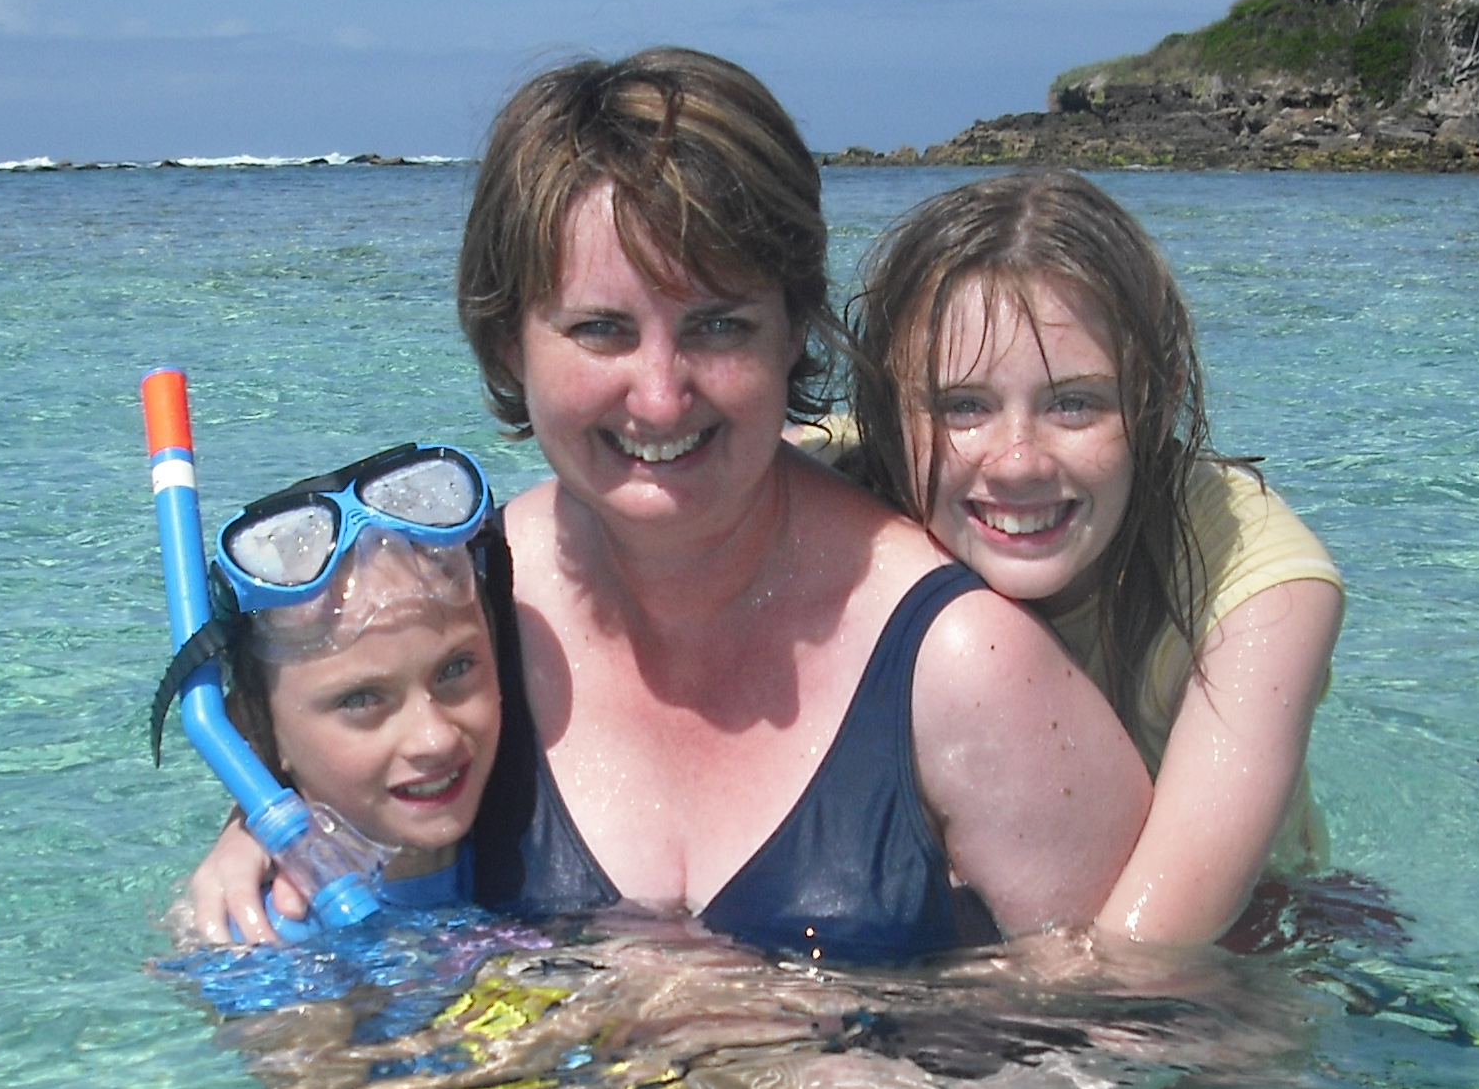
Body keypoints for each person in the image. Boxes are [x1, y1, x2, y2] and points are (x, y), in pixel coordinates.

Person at [186, 50, 1150, 961]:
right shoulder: (464, 602)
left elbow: (1149, 1040)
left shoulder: (961, 666)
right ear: (510, 347)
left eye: (719, 325)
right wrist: (275, 825)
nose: (659, 394)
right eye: (601, 330)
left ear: (793, 337)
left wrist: (813, 1080)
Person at [836, 170, 1343, 948]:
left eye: (1075, 403)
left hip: (1251, 948)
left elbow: (1143, 959)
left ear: (1159, 404)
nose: (1017, 462)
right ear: (887, 412)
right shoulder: (835, 487)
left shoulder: (1259, 589)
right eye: (961, 406)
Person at [165, 443, 504, 917]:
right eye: (362, 699)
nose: (435, 737)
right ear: (252, 732)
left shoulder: (528, 817)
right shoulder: (265, 942)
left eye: (455, 670)